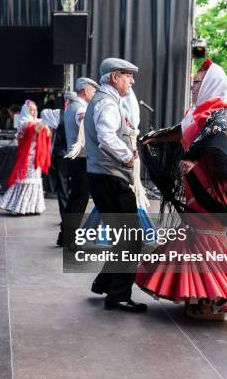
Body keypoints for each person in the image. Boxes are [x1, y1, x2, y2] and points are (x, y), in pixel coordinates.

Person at [137, 58, 227, 319]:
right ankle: (203, 297)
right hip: (196, 182)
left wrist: (191, 157)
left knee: (206, 237)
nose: (193, 86)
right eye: (192, 82)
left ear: (211, 83)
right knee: (195, 236)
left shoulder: (222, 110)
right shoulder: (198, 111)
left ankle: (217, 300)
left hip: (213, 186)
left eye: (197, 82)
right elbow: (181, 132)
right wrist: (154, 137)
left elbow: (215, 135)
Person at [84, 58, 147, 312]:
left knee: (123, 236)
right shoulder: (107, 104)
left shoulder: (105, 101)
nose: (131, 81)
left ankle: (105, 283)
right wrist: (128, 157)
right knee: (132, 238)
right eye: (127, 76)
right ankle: (118, 296)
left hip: (103, 177)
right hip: (109, 178)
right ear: (114, 77)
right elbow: (106, 137)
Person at [59, 77, 99, 249]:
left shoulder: (71, 107)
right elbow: (84, 120)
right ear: (85, 89)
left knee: (76, 197)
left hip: (75, 158)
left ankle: (64, 236)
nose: (95, 93)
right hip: (81, 159)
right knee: (79, 199)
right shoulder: (80, 109)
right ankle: (70, 239)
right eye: (93, 89)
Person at [0, 100, 51, 215]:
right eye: (31, 110)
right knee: (26, 181)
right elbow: (34, 129)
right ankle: (20, 207)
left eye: (35, 110)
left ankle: (30, 208)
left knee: (32, 181)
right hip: (27, 158)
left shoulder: (33, 122)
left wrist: (45, 124)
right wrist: (46, 121)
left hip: (35, 157)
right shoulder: (25, 123)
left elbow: (45, 133)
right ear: (26, 111)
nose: (34, 112)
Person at [40, 99, 69, 244]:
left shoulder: (64, 115)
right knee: (64, 190)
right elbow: (44, 114)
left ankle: (67, 221)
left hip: (72, 155)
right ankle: (66, 221)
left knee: (71, 191)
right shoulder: (59, 115)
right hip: (63, 155)